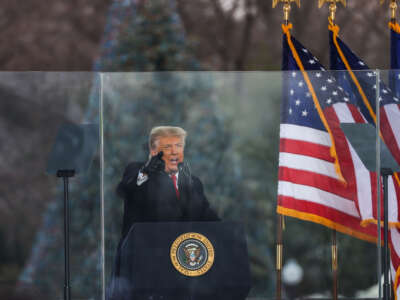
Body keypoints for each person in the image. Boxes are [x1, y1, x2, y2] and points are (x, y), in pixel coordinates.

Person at [108, 126, 220, 300]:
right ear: (153, 151)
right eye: (168, 147)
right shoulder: (138, 172)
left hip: (181, 269)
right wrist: (146, 171)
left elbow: (206, 215)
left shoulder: (192, 181)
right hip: (142, 267)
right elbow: (124, 189)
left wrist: (224, 232)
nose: (175, 151)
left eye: (179, 145)